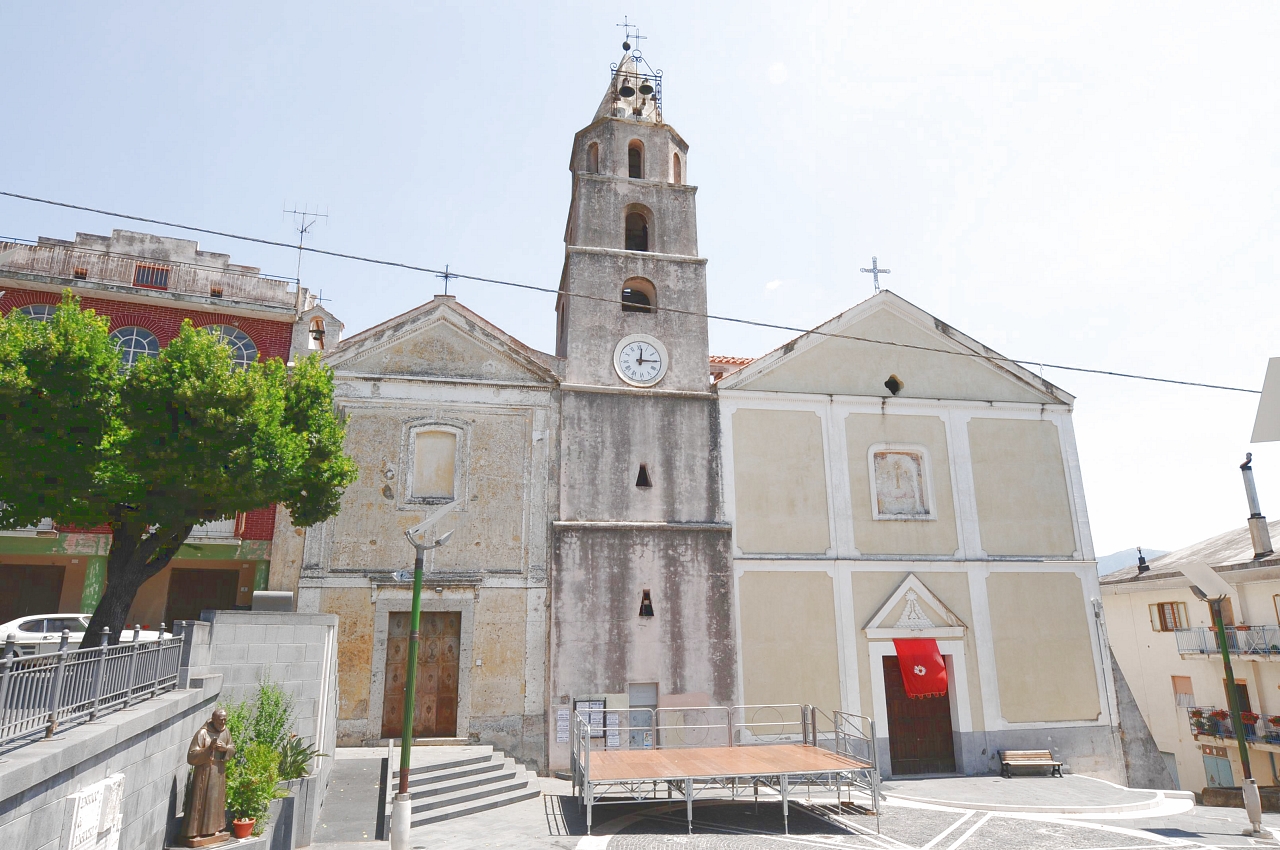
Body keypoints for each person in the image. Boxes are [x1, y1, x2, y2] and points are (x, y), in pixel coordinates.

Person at [179, 707, 235, 846]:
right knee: (203, 800)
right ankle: (198, 831)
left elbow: (232, 748)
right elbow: (191, 756)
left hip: (219, 771)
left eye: (225, 720)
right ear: (213, 719)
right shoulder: (202, 733)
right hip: (205, 771)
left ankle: (214, 828)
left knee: (216, 801)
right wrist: (209, 749)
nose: (223, 722)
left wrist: (225, 749)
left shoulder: (225, 731)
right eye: (221, 720)